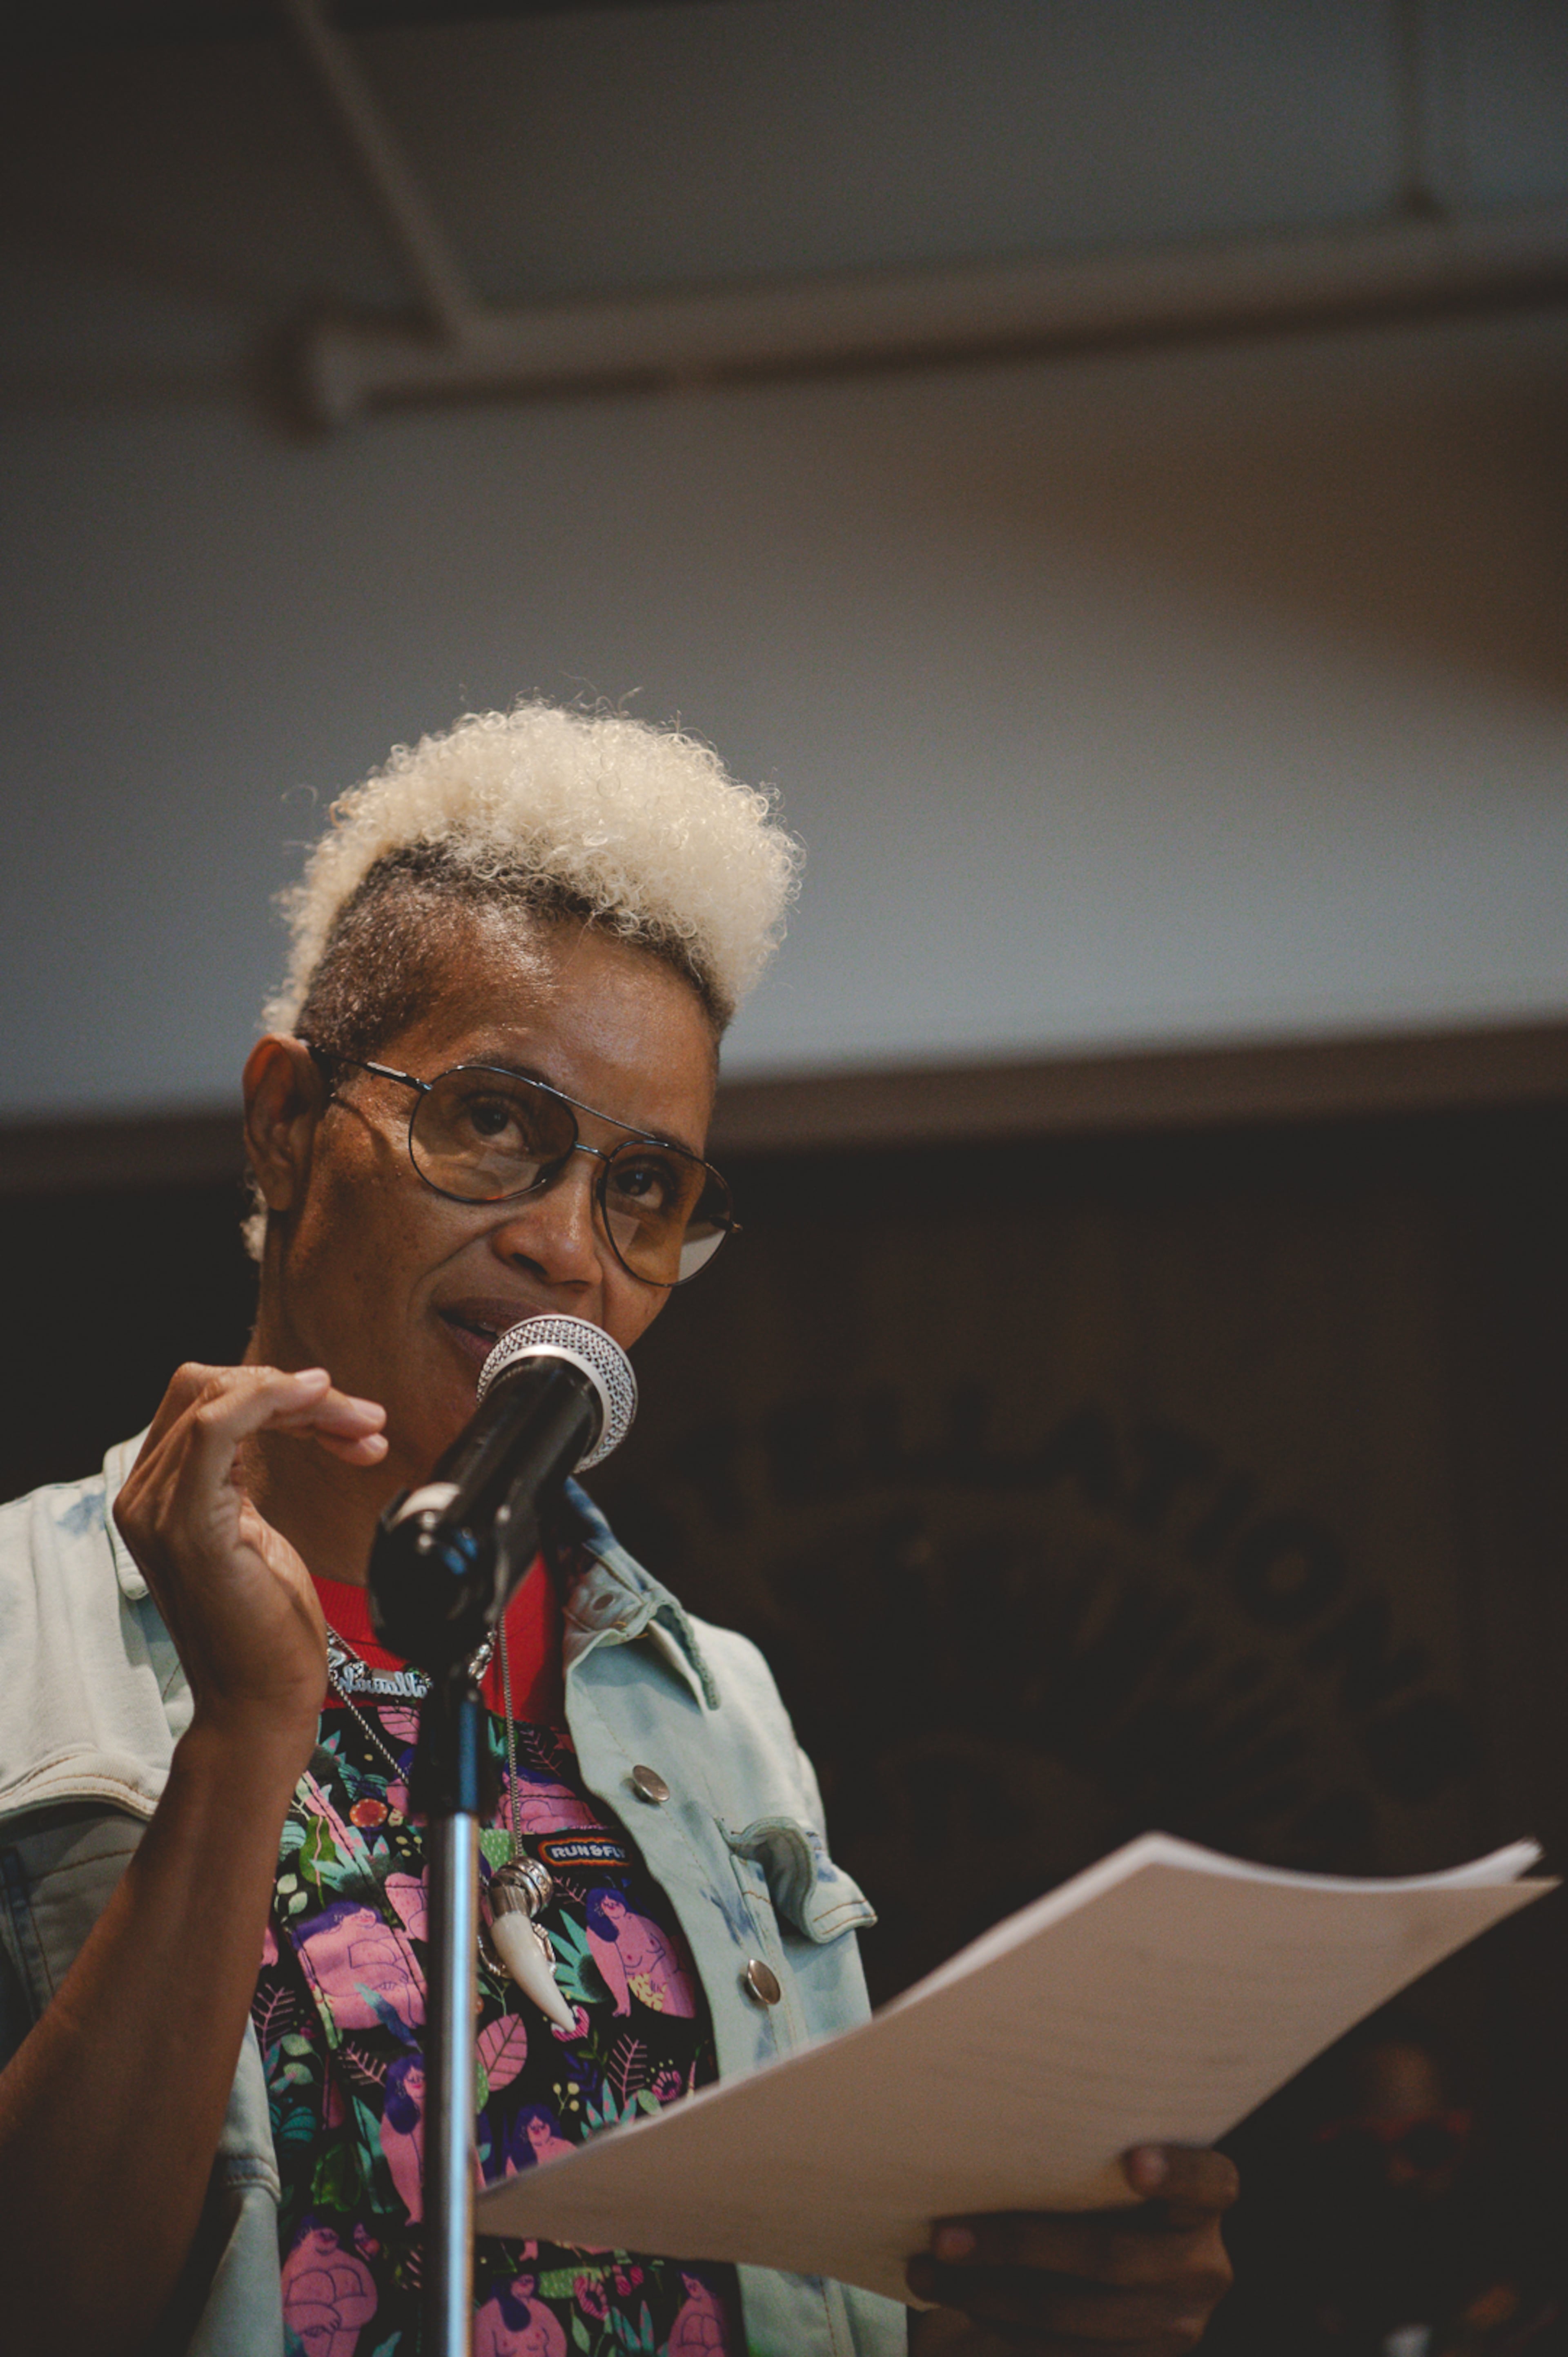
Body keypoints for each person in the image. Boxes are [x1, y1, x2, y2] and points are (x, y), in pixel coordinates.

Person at [0, 703, 1237, 2355]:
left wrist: (1041, 2307)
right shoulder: (25, 1630)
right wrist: (243, 1733)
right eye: (497, 1123)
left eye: (645, 1188)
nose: (571, 1250)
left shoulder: (710, 1699)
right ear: (287, 1119)